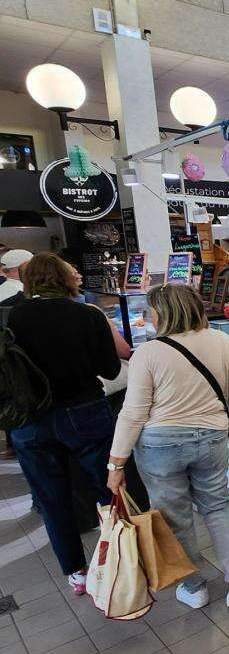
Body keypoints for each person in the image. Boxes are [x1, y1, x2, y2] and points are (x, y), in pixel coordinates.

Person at [107, 284, 229, 609]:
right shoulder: (221, 341)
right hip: (211, 439)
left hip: (161, 446)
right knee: (218, 505)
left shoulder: (149, 352)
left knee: (175, 517)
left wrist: (116, 464)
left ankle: (195, 587)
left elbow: (134, 412)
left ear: (162, 313)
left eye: (151, 311)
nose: (149, 316)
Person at [7, 253, 121, 596]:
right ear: (66, 278)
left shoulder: (14, 316)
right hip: (84, 411)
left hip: (31, 420)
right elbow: (111, 370)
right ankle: (122, 557)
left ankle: (77, 572)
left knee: (53, 500)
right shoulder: (87, 315)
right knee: (110, 489)